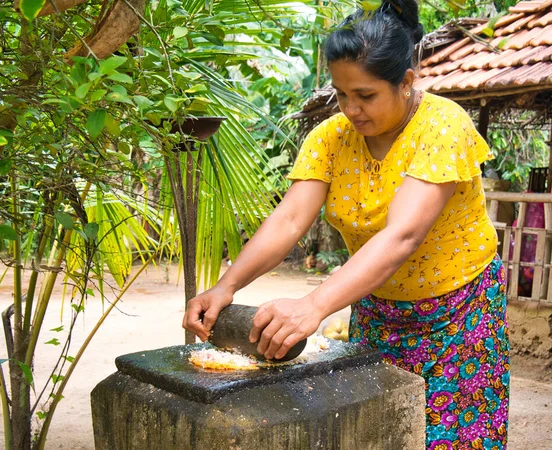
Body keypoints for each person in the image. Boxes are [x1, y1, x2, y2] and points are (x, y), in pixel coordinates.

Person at [183, 0, 510, 448]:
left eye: (366, 95)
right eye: (342, 93)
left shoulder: (442, 127)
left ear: (406, 82)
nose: (351, 109)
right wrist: (227, 286)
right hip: (377, 310)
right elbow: (291, 218)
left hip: (458, 316)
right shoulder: (332, 137)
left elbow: (402, 236)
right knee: (375, 430)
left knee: (451, 439)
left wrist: (314, 306)